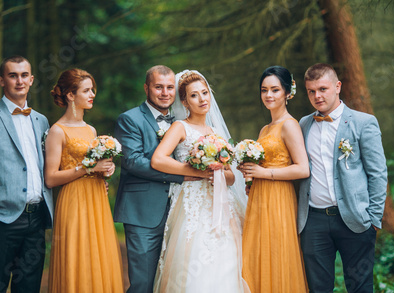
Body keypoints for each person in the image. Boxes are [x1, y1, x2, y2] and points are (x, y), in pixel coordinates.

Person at [151, 70, 248, 292]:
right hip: (194, 204)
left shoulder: (217, 132)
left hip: (222, 205)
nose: (202, 99)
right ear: (184, 101)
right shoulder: (180, 127)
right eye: (194, 95)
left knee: (227, 258)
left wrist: (219, 173)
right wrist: (200, 172)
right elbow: (158, 160)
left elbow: (231, 177)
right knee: (194, 258)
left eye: (205, 93)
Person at [0, 55, 53, 293]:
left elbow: (49, 169)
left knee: (29, 288)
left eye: (24, 75)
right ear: (1, 80)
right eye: (13, 75)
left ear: (32, 79)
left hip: (36, 220)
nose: (19, 81)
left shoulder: (41, 121)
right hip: (1, 221)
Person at [114, 65, 205, 293]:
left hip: (181, 211)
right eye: (158, 87)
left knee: (169, 281)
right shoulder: (130, 119)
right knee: (144, 282)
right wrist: (184, 173)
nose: (165, 93)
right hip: (144, 211)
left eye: (169, 88)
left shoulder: (182, 121)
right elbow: (133, 161)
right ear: (147, 88)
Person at [298, 63, 387, 293]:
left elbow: (378, 173)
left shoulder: (363, 122)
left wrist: (373, 219)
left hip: (355, 220)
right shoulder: (304, 124)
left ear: (337, 86)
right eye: (311, 91)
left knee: (360, 287)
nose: (317, 96)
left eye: (323, 89)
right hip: (314, 222)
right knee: (318, 289)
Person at [45, 68, 123, 292]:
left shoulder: (91, 130)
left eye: (93, 90)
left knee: (98, 254)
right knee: (78, 254)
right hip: (74, 201)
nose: (92, 95)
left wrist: (104, 171)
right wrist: (89, 168)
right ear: (71, 95)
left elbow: (94, 167)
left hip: (96, 198)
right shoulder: (57, 131)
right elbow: (51, 178)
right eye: (87, 90)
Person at [238, 66, 309, 292]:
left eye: (275, 90)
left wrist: (264, 173)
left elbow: (303, 169)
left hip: (279, 200)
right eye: (264, 90)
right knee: (259, 252)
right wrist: (249, 173)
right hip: (260, 197)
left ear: (288, 93)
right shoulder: (265, 129)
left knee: (276, 253)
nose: (268, 95)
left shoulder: (290, 125)